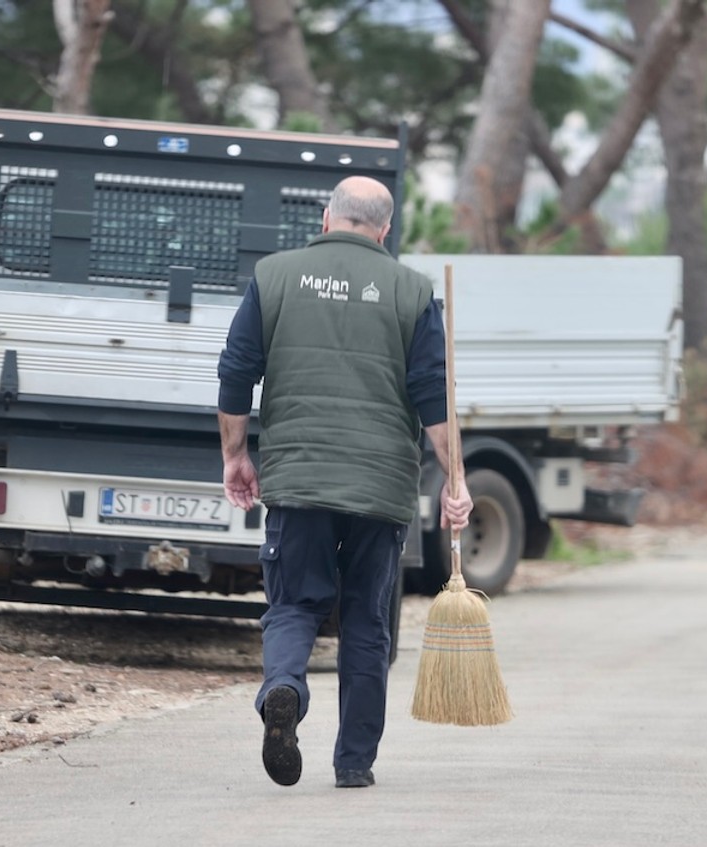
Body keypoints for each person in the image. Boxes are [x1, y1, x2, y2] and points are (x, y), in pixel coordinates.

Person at [216, 176, 473, 789]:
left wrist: (236, 455)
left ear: (327, 218)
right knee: (366, 621)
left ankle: (283, 689)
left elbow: (236, 370)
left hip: (298, 476)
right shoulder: (412, 291)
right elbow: (435, 398)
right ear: (385, 230)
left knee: (293, 606)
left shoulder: (274, 275)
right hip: (379, 487)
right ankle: (353, 762)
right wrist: (455, 480)